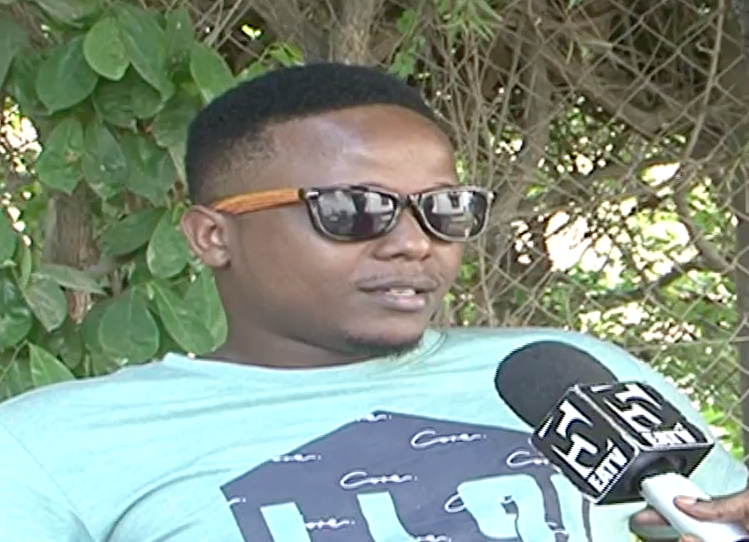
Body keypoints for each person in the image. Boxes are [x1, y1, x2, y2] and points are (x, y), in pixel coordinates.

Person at [0, 62, 747, 542]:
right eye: (355, 209)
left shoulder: (568, 374)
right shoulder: (53, 448)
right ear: (213, 236)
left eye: (444, 208)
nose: (414, 243)